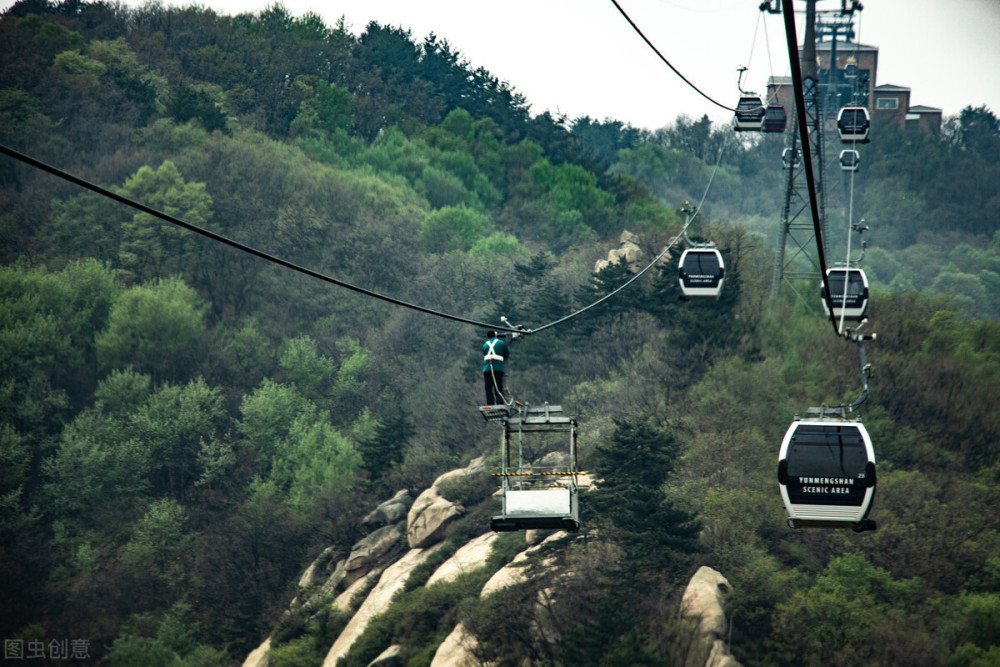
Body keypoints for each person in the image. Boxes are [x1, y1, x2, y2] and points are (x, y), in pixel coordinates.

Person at [482, 330, 509, 406]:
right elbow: (506, 353)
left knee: (488, 388)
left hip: (487, 369)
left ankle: (490, 404)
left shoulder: (485, 345)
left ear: (488, 337)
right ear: (496, 335)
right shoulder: (501, 343)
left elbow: (484, 353)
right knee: (498, 387)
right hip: (498, 369)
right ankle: (500, 403)